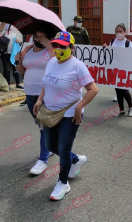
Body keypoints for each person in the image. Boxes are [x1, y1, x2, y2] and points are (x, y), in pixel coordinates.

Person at [33, 31, 98, 200]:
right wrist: (40, 100)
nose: (58, 49)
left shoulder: (77, 66)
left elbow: (93, 89)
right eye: (55, 45)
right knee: (51, 146)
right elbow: (46, 83)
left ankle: (62, 183)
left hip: (69, 114)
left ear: (71, 47)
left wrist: (80, 107)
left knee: (63, 149)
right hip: (50, 112)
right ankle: (76, 159)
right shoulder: (52, 61)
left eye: (62, 46)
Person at [15, 23, 55, 175]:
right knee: (41, 125)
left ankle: (42, 160)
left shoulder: (53, 51)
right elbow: (21, 71)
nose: (38, 40)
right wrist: (18, 61)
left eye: (42, 37)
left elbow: (60, 63)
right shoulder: (27, 49)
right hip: (29, 92)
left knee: (44, 126)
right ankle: (51, 146)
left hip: (46, 93)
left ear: (49, 38)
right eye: (36, 37)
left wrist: (50, 48)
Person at [103, 23, 132, 117]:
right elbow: (110, 53)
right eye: (117, 32)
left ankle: (131, 107)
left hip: (124, 70)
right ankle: (122, 110)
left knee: (124, 90)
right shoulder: (113, 41)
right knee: (118, 90)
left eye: (121, 31)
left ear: (124, 32)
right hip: (115, 69)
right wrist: (106, 48)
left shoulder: (128, 43)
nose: (119, 33)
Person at [0, 23, 23, 90]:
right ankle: (7, 85)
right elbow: (1, 27)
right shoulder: (1, 32)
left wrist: (18, 41)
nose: (8, 25)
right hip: (5, 54)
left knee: (15, 69)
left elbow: (15, 39)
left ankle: (18, 84)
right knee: (7, 69)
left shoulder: (12, 33)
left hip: (13, 54)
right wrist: (3, 22)